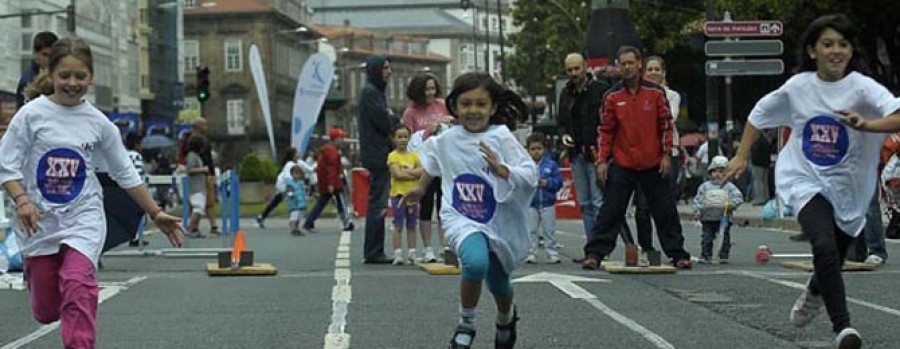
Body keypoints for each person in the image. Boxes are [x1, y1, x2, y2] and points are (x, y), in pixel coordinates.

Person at [722, 14, 900, 348]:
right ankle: (843, 328)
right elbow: (758, 115)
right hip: (804, 179)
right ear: (813, 50)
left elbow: (897, 115)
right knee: (822, 245)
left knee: (834, 253)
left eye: (843, 45)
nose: (836, 51)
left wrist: (866, 125)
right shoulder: (798, 87)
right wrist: (742, 155)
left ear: (851, 51)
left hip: (851, 188)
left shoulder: (863, 87)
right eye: (828, 44)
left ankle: (816, 288)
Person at [0, 37, 183, 348]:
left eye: (80, 76)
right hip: (38, 221)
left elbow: (125, 172)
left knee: (78, 283)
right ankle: (40, 283)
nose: (73, 83)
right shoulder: (31, 115)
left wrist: (155, 212)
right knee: (46, 311)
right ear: (52, 74)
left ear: (91, 78)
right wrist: (22, 200)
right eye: (65, 75)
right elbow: (6, 164)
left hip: (83, 217)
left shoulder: (99, 123)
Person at [404, 71, 536, 349]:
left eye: (480, 104)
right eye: (466, 104)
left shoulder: (501, 137)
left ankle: (505, 317)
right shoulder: (447, 139)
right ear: (454, 106)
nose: (473, 111)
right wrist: (420, 188)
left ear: (493, 107)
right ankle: (467, 322)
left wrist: (503, 169)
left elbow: (529, 173)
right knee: (475, 263)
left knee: (500, 284)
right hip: (460, 216)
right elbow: (432, 163)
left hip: (497, 218)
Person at [582, 46, 693, 270]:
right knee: (611, 210)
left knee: (665, 210)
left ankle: (677, 253)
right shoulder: (612, 96)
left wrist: (665, 154)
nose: (627, 67)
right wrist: (602, 161)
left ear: (639, 64)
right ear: (618, 66)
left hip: (653, 161)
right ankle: (595, 253)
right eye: (623, 64)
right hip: (624, 162)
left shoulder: (655, 93)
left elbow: (666, 126)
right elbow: (606, 131)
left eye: (631, 63)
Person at [632, 55, 683, 261]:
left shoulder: (672, 95)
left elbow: (669, 118)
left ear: (663, 73)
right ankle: (646, 247)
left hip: (668, 153)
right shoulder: (635, 94)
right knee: (643, 206)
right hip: (642, 156)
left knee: (667, 205)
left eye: (656, 69)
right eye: (649, 69)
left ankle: (675, 249)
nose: (653, 73)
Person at [557, 53, 608, 256]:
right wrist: (564, 135)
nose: (574, 73)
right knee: (585, 203)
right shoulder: (566, 93)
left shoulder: (600, 90)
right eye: (570, 70)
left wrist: (601, 146)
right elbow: (561, 121)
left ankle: (599, 247)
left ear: (585, 66)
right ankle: (591, 247)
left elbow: (607, 122)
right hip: (576, 152)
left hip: (595, 152)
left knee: (597, 202)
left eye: (577, 69)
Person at [403, 72, 452, 263]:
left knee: (444, 204)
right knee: (425, 204)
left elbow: (453, 124)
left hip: (444, 160)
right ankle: (427, 248)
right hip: (423, 162)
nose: (430, 93)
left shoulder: (442, 105)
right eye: (426, 89)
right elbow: (407, 139)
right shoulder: (411, 112)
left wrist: (446, 122)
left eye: (433, 88)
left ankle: (444, 245)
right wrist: (426, 131)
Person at [358, 54, 396, 264]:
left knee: (378, 203)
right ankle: (374, 251)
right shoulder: (371, 93)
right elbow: (384, 120)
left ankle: (374, 249)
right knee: (378, 204)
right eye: (385, 68)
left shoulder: (374, 92)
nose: (389, 72)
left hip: (377, 152)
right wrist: (393, 118)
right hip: (378, 153)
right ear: (375, 70)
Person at [302, 127, 355, 233]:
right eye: (341, 138)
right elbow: (331, 169)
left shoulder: (326, 150)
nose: (343, 140)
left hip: (325, 182)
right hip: (334, 182)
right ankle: (346, 222)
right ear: (335, 139)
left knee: (321, 202)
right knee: (341, 202)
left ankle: (309, 222)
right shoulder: (332, 152)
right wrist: (331, 183)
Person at [692, 156, 743, 264]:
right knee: (706, 237)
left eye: (721, 171)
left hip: (724, 217)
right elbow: (698, 199)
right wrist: (697, 210)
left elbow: (739, 198)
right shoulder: (705, 186)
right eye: (714, 171)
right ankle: (706, 254)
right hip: (707, 217)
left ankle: (723, 255)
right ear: (710, 172)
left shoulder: (729, 187)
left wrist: (732, 204)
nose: (717, 174)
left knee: (724, 237)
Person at [524, 132, 563, 264]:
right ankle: (531, 253)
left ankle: (552, 253)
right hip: (531, 204)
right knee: (531, 230)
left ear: (544, 149)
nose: (536, 152)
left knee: (549, 230)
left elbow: (559, 181)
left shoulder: (551, 165)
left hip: (548, 203)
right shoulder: (525, 165)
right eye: (533, 149)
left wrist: (548, 183)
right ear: (527, 150)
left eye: (539, 149)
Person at [387, 124, 423, 265]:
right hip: (398, 195)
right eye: (399, 137)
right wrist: (412, 173)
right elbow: (397, 174)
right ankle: (398, 254)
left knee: (412, 224)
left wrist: (407, 172)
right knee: (398, 225)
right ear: (394, 139)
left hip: (412, 196)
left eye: (405, 137)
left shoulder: (414, 156)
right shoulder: (392, 156)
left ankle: (412, 252)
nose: (402, 140)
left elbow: (422, 172)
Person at [256, 148, 313, 228]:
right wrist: (290, 189)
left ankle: (261, 217)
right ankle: (294, 222)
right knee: (293, 202)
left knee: (276, 201)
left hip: (291, 184)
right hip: (283, 184)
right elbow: (288, 177)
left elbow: (310, 169)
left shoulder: (299, 162)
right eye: (296, 153)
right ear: (292, 155)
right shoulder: (289, 164)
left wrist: (319, 165)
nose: (298, 154)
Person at [190, 118, 221, 235]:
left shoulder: (197, 140)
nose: (206, 127)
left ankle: (212, 225)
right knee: (202, 201)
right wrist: (210, 173)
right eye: (204, 125)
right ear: (198, 126)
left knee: (207, 201)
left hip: (204, 172)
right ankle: (193, 227)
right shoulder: (195, 141)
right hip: (200, 173)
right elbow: (207, 158)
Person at [16, 31, 58, 109]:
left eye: (53, 55)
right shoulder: (28, 80)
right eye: (45, 55)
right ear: (35, 53)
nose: (49, 59)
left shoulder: (61, 76)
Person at [185, 135, 209, 238]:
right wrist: (203, 170)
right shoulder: (192, 156)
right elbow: (189, 170)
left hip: (200, 185)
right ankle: (190, 228)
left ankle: (195, 228)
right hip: (195, 186)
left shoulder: (195, 155)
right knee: (198, 208)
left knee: (200, 208)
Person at [285, 165, 308, 236]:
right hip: (294, 204)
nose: (297, 175)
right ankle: (292, 229)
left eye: (299, 174)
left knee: (299, 217)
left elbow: (303, 192)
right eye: (295, 174)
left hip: (301, 204)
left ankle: (297, 228)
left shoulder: (301, 183)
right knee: (294, 217)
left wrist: (306, 197)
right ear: (292, 174)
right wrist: (292, 195)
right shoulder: (290, 184)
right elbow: (289, 193)